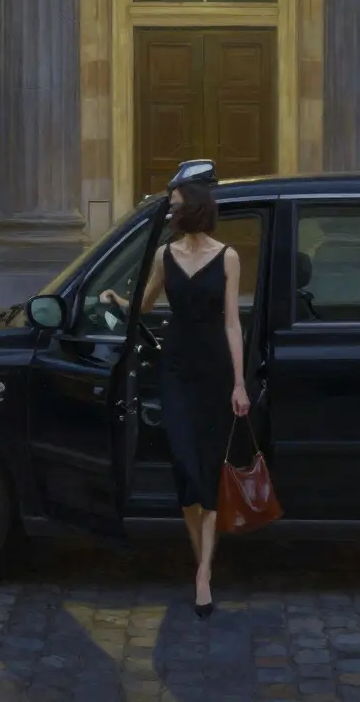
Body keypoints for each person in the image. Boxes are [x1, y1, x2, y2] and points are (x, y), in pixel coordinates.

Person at [99, 183, 250, 619]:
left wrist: (238, 384)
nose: (171, 211)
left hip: (215, 372)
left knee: (207, 472)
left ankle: (203, 572)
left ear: (195, 209)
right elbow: (143, 306)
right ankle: (200, 558)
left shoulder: (228, 257)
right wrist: (114, 300)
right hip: (177, 371)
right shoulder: (167, 256)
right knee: (185, 467)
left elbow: (232, 324)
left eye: (177, 205)